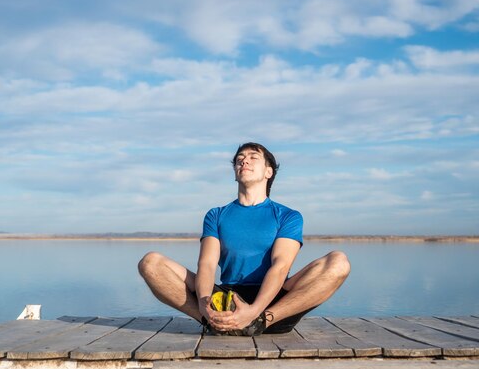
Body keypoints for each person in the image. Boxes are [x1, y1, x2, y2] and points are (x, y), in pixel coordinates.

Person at [138, 142, 350, 335]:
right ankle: (211, 321)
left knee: (338, 262)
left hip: (273, 304)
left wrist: (255, 312)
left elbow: (280, 266)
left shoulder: (287, 216)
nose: (244, 160)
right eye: (240, 158)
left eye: (253, 157)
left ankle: (258, 323)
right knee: (150, 262)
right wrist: (204, 305)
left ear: (269, 172)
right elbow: (207, 264)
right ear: (235, 173)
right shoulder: (216, 214)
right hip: (225, 299)